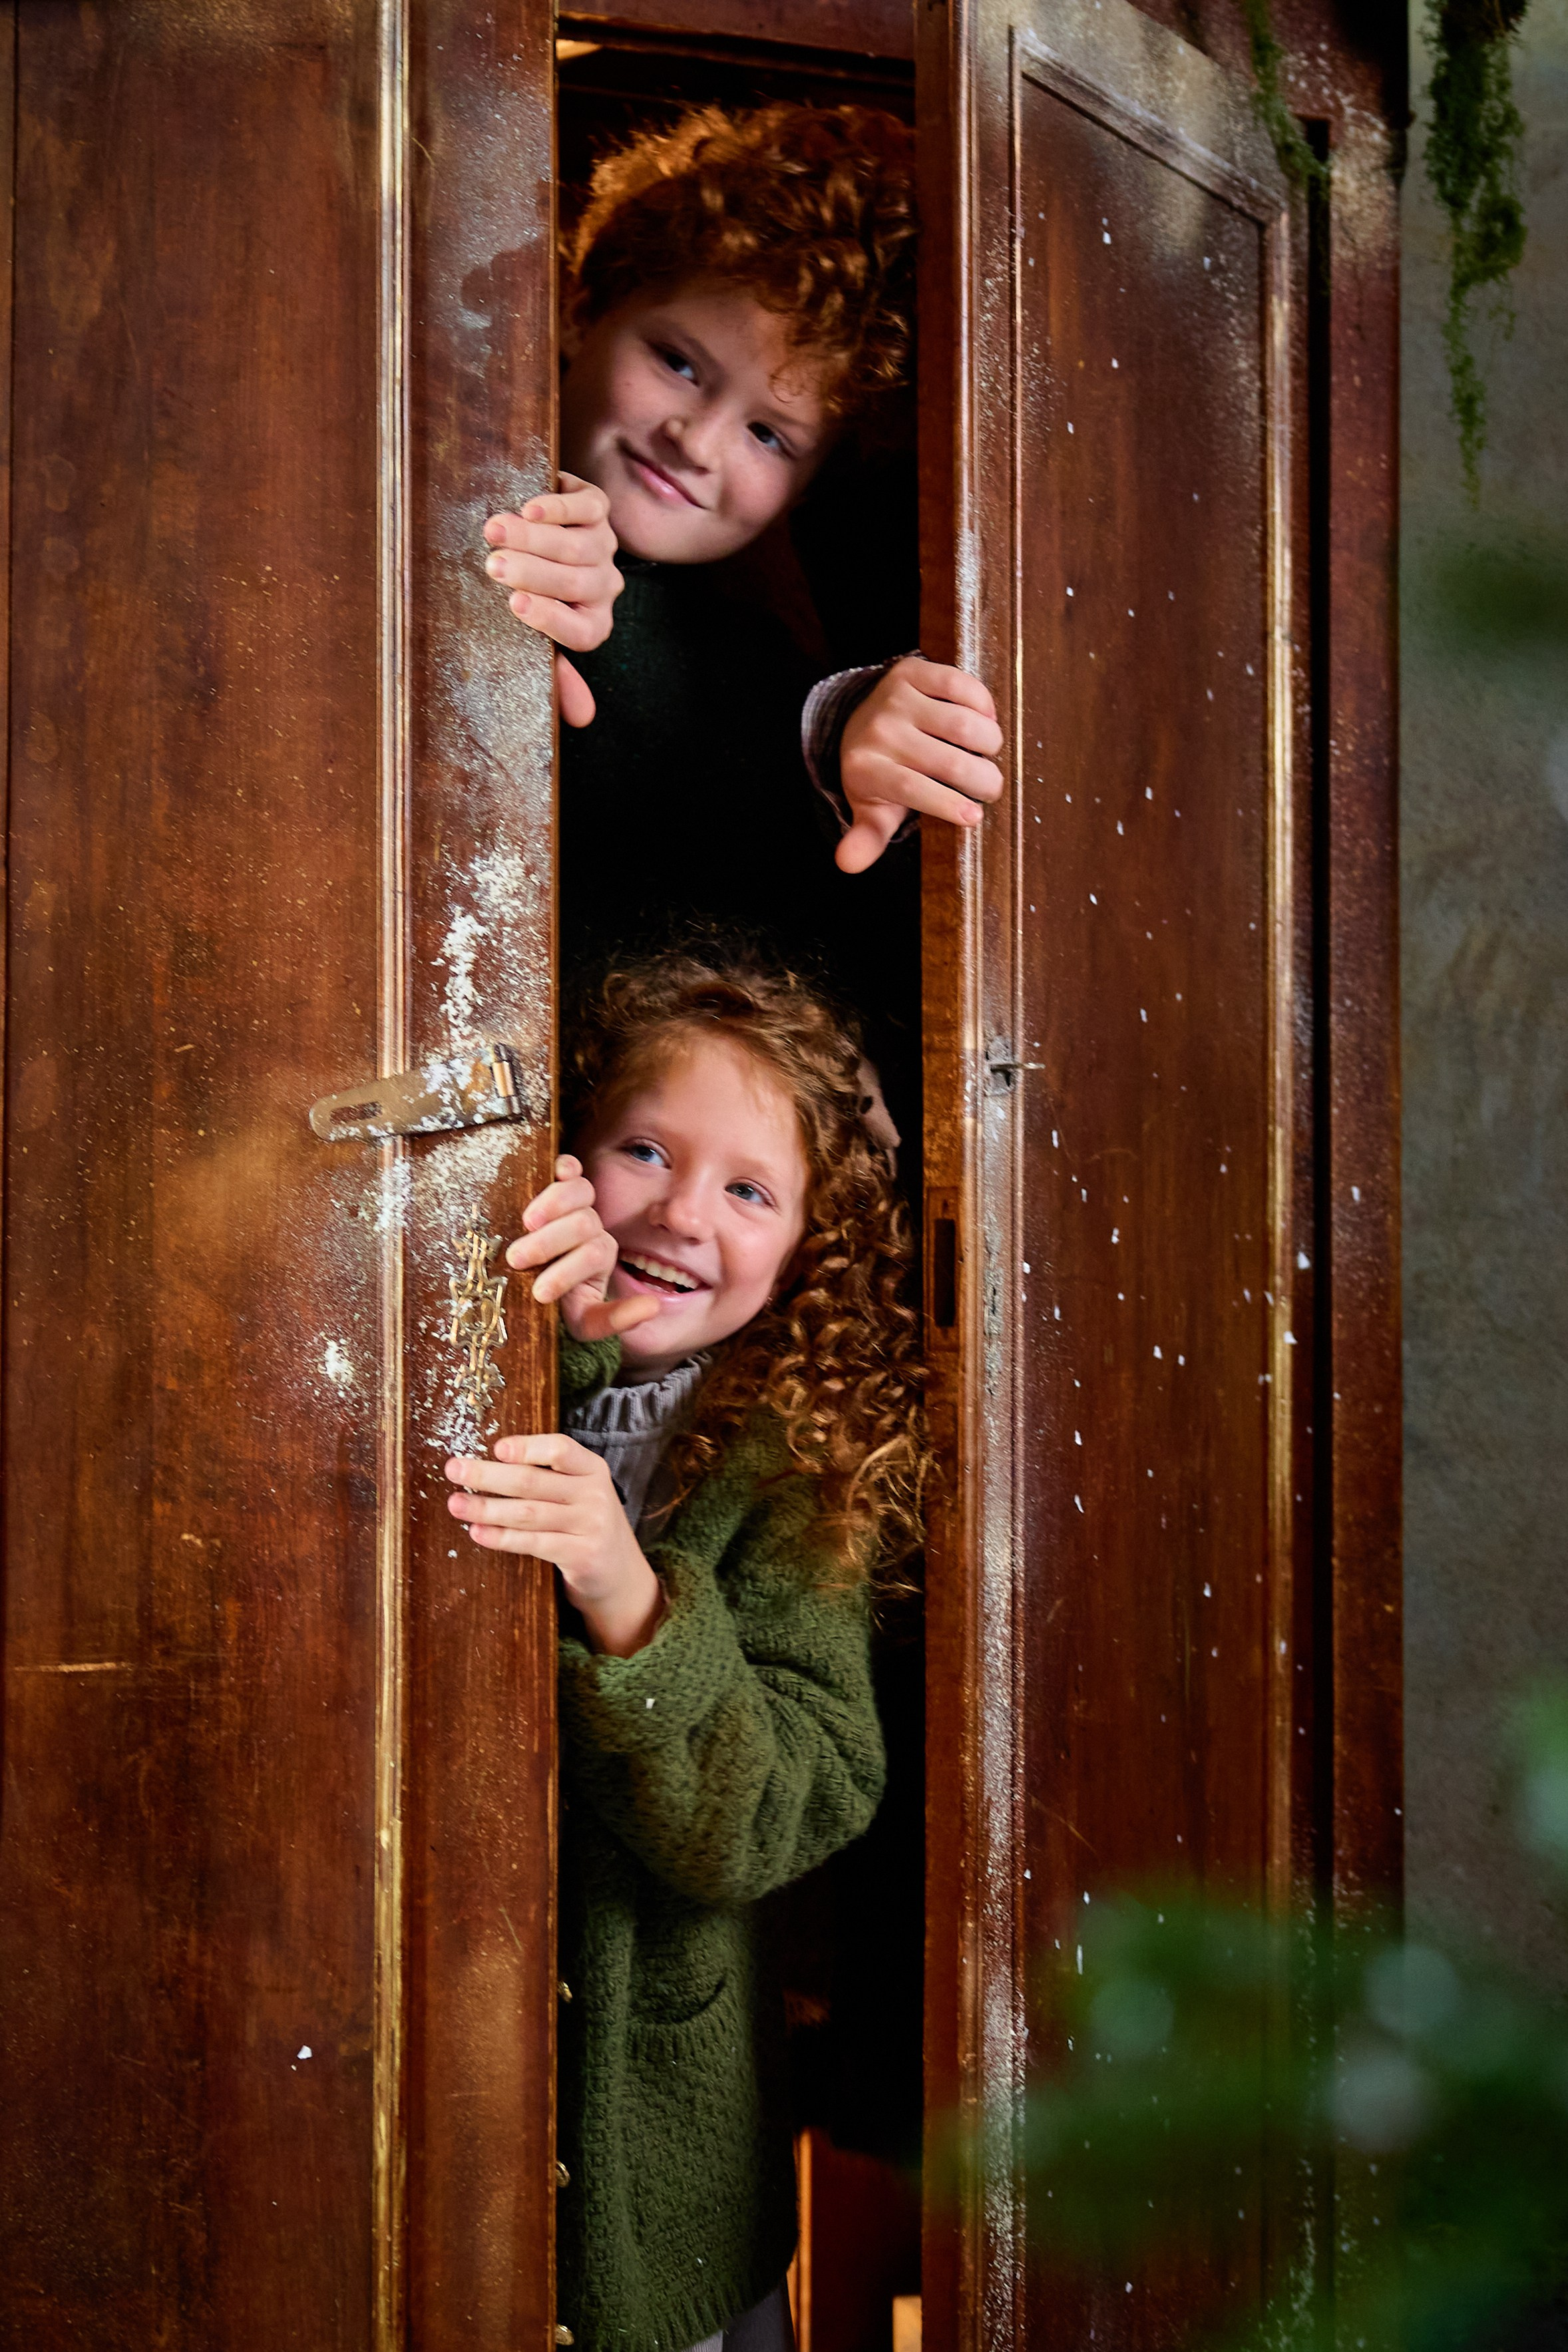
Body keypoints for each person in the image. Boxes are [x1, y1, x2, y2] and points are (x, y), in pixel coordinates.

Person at [443, 947, 929, 2352]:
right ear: (564, 1158)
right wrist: (572, 1351)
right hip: (435, 2056)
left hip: (656, 2169)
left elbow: (778, 1811)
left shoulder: (794, 1472)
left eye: (746, 1190)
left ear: (805, 1250)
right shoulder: (466, 1344)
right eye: (641, 1149)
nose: (675, 1211)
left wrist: (624, 1589)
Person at [479, 102, 1003, 1144]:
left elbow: (739, 776)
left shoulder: (750, 678)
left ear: (810, 485)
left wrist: (843, 733)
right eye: (678, 360)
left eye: (769, 432)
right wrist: (476, 560)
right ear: (586, 308)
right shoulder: (431, 470)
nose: (696, 440)